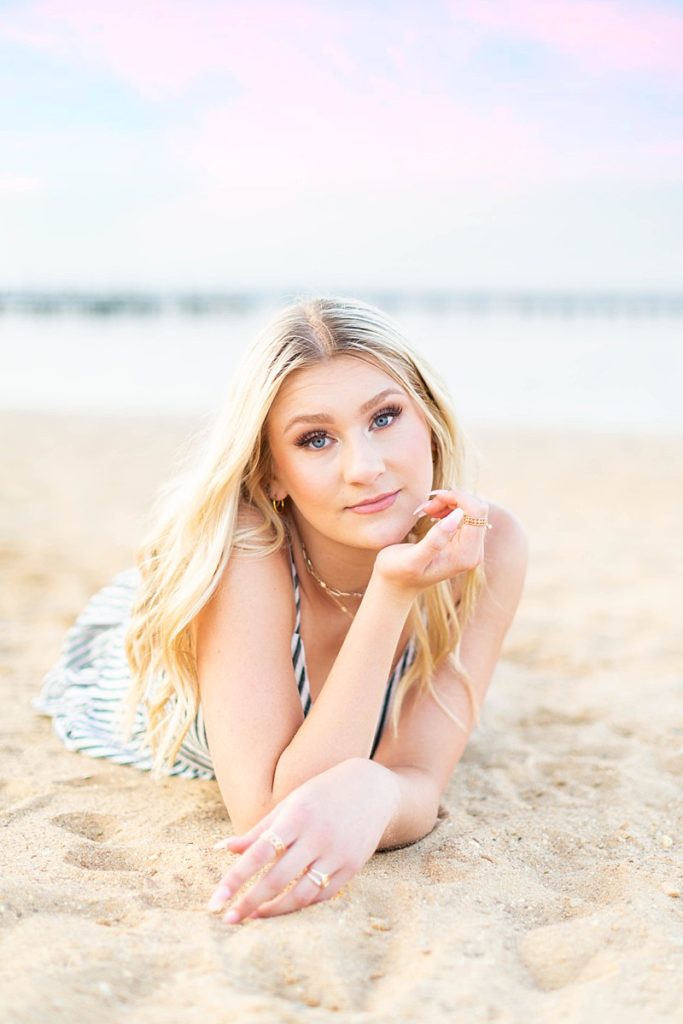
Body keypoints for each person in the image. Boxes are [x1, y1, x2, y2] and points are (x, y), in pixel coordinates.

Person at [35, 296, 527, 925]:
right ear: (272, 473)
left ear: (427, 418)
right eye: (316, 439)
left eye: (385, 417)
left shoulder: (492, 543)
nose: (366, 468)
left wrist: (378, 786)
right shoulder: (245, 550)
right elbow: (277, 812)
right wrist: (393, 591)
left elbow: (418, 777)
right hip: (148, 642)